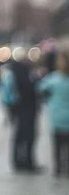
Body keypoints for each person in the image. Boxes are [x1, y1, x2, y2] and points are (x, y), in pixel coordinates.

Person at [0, 54, 42, 174]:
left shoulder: (12, 71)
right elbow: (30, 89)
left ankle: (18, 161)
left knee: (19, 136)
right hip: (26, 109)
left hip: (17, 108)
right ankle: (26, 162)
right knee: (28, 136)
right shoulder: (24, 72)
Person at [38, 49, 69, 177]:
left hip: (57, 117)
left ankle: (58, 168)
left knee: (57, 145)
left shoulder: (53, 79)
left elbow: (40, 88)